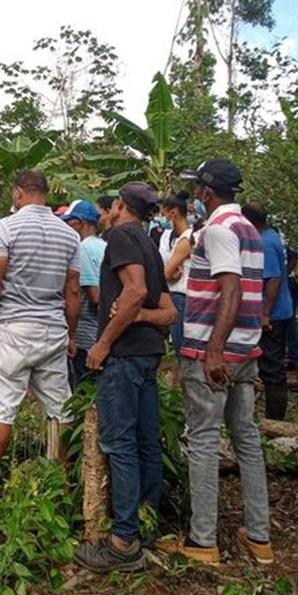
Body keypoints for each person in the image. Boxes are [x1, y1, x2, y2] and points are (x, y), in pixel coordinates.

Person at [156, 159, 273, 566]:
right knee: (246, 437)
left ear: (206, 193)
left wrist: (214, 350)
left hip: (213, 353)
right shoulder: (249, 231)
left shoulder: (220, 230)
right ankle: (259, 536)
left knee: (203, 439)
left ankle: (203, 541)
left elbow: (231, 290)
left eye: (198, 190)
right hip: (245, 351)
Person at [0, 170, 81, 510]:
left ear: (18, 193)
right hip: (52, 332)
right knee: (59, 409)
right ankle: (61, 487)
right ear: (45, 193)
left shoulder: (6, 227)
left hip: (13, 331)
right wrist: (70, 334)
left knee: (0, 410)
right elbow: (72, 290)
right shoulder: (68, 234)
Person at [74, 183, 177, 573]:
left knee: (120, 444)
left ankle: (122, 543)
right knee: (146, 442)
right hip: (148, 355)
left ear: (119, 206)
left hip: (125, 358)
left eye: (111, 204)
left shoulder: (120, 236)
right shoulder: (150, 244)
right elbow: (166, 311)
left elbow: (134, 293)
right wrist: (139, 315)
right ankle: (145, 524)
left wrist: (103, 343)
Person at [242, 203, 294, 420]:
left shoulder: (263, 242)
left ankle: (275, 418)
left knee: (272, 368)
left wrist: (265, 314)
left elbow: (272, 279)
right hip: (275, 311)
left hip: (272, 315)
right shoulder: (272, 235)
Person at [60, 200, 106, 389]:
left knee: (83, 389)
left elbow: (94, 296)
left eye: (68, 222)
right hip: (101, 333)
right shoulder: (103, 245)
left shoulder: (83, 249)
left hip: (86, 336)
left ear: (78, 223)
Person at [160, 191, 194, 358]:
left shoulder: (186, 239)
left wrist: (169, 272)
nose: (163, 218)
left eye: (164, 213)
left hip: (181, 297)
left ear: (173, 213)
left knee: (183, 352)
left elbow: (165, 273)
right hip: (179, 296)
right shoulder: (182, 238)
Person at [285, 247, 298, 371]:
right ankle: (293, 356)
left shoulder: (287, 234)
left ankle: (294, 357)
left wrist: (282, 276)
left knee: (288, 318)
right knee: (290, 318)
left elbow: (293, 257)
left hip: (292, 279)